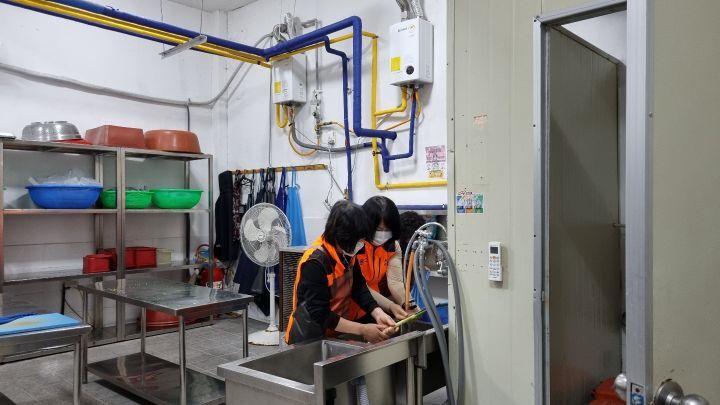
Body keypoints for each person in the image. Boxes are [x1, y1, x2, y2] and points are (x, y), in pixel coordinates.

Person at [284, 200, 397, 345]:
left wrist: (377, 312)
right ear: (341, 236)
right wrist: (362, 329)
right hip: (309, 338)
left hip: (336, 333)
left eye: (362, 239)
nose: (361, 244)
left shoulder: (348, 252)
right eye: (358, 240)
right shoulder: (315, 262)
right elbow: (319, 313)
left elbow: (359, 287)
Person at [349, 197, 412, 320]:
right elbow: (359, 287)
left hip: (373, 309)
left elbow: (395, 282)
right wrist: (390, 306)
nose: (383, 234)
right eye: (378, 229)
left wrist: (409, 304)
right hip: (349, 309)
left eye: (388, 230)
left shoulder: (392, 246)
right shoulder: (355, 246)